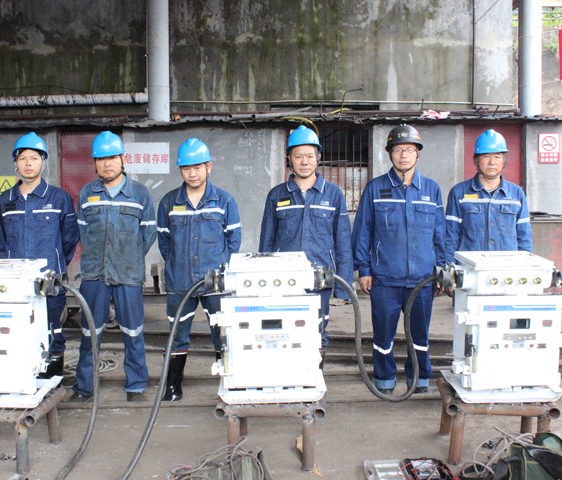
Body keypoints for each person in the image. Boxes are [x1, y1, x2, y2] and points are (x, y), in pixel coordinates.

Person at [352, 124, 445, 394]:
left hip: (422, 279)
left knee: (420, 335)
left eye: (409, 149)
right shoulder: (375, 188)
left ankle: (420, 379)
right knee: (383, 336)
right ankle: (385, 380)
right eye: (398, 150)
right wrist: (364, 269)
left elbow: (440, 234)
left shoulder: (431, 190)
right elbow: (363, 231)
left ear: (418, 153)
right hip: (385, 279)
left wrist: (441, 269)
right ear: (390, 154)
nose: (403, 155)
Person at [72, 131, 157, 402]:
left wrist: (128, 257)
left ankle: (136, 385)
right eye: (101, 159)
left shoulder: (139, 193)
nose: (107, 163)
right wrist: (101, 257)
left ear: (123, 160)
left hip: (128, 275)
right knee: (90, 333)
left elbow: (148, 234)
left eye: (112, 158)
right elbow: (83, 232)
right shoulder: (87, 193)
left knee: (133, 332)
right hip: (94, 274)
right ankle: (85, 387)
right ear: (94, 163)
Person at [259, 125, 353, 363]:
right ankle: (290, 377)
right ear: (289, 158)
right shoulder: (277, 195)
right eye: (298, 156)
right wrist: (264, 281)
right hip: (284, 279)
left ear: (318, 157)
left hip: (319, 277)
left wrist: (343, 287)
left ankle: (314, 378)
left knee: (317, 331)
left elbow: (342, 242)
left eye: (310, 156)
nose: (304, 162)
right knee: (285, 332)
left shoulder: (333, 194)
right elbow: (266, 242)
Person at [157, 138, 241, 401]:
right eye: (186, 168)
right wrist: (178, 265)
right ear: (180, 170)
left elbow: (233, 242)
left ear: (209, 167)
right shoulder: (169, 202)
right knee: (177, 335)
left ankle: (229, 382)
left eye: (197, 167)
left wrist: (220, 268)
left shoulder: (224, 201)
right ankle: (172, 386)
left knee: (222, 333)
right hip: (179, 282)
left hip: (215, 282)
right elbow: (164, 242)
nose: (192, 173)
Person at [0, 132, 79, 378]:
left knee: (53, 331)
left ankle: (53, 380)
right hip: (17, 283)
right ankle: (25, 379)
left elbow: (69, 239)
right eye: (23, 158)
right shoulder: (5, 201)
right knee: (19, 330)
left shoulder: (60, 198)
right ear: (16, 163)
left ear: (43, 161)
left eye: (34, 158)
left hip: (50, 281)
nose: (28, 163)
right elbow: (2, 243)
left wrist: (57, 264)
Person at [444, 129, 532, 264]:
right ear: (476, 160)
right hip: (470, 269)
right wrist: (449, 269)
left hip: (506, 269)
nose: (492, 162)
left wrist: (525, 266)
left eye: (497, 157)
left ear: (504, 161)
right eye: (486, 156)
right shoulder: (459, 193)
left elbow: (524, 238)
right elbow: (451, 237)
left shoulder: (516, 194)